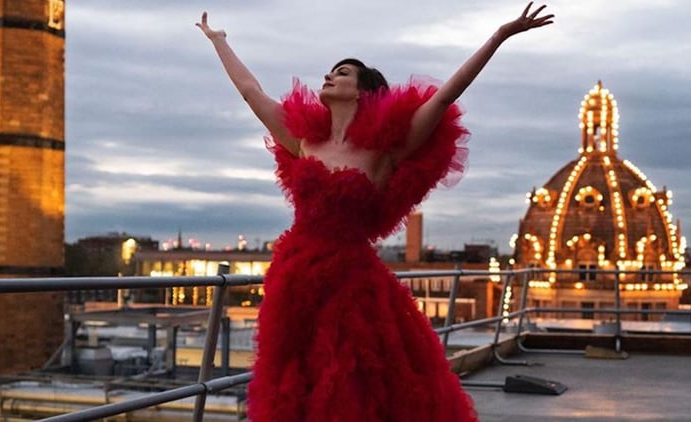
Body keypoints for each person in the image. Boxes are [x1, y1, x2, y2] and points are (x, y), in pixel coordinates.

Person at [197, 3, 552, 421]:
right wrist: (219, 41)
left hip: (351, 285)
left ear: (363, 91)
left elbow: (448, 93)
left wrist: (499, 36)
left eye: (342, 72)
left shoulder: (385, 152)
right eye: (331, 71)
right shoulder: (304, 142)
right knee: (296, 380)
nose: (329, 76)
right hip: (295, 279)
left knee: (351, 383)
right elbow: (250, 92)